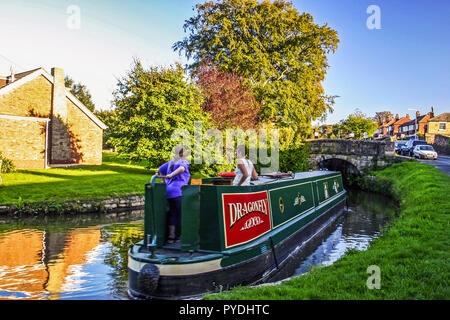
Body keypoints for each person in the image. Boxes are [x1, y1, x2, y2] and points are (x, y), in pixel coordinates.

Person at [164, 146, 190, 244]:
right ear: (181, 153)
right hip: (179, 191)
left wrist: (166, 181)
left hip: (169, 191)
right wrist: (171, 175)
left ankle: (171, 237)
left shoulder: (171, 162)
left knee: (172, 214)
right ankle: (179, 238)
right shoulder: (183, 161)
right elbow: (182, 169)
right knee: (180, 214)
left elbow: (161, 170)